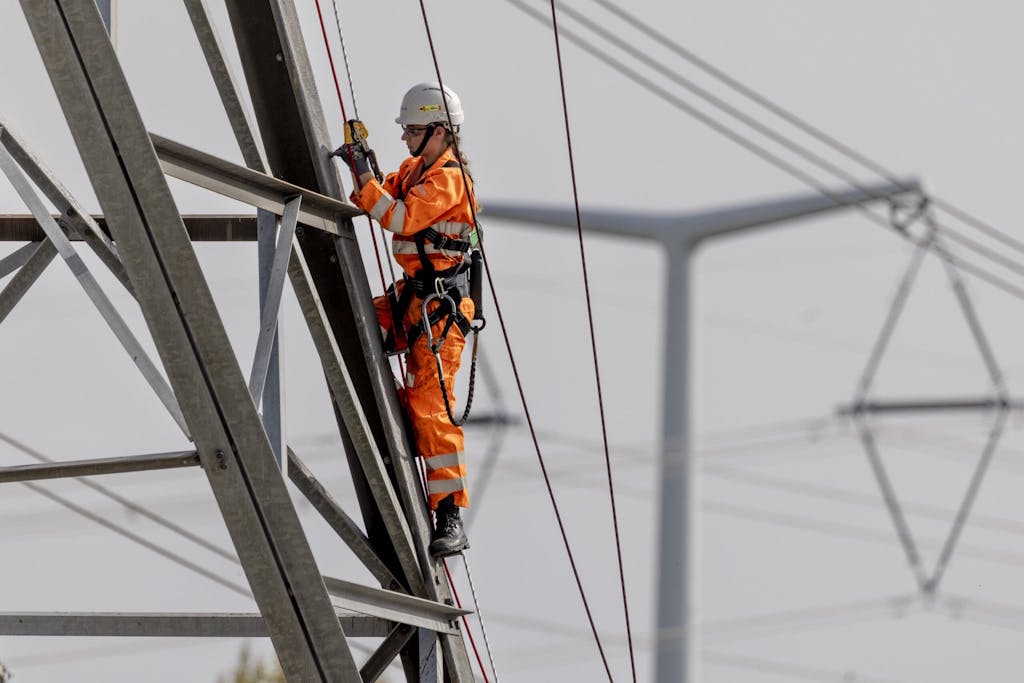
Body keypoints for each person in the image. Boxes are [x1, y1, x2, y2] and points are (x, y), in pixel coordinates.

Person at [341, 82, 478, 557]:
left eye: (414, 130)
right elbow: (377, 198)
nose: (406, 139)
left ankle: (449, 515)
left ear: (440, 131)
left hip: (441, 313)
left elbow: (399, 218)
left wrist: (364, 179)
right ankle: (391, 423)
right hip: (412, 301)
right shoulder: (417, 169)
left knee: (430, 407)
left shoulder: (448, 180)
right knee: (351, 322)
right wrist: (366, 170)